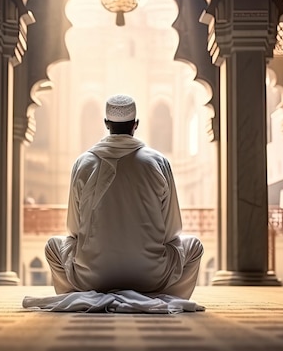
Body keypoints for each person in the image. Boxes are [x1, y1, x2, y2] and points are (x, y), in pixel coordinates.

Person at [45, 94, 204, 300]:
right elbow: (172, 230)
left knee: (53, 247)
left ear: (106, 123)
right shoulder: (158, 162)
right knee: (194, 246)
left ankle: (83, 296)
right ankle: (159, 296)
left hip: (92, 277)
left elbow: (73, 231)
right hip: (150, 276)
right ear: (135, 125)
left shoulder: (82, 163)